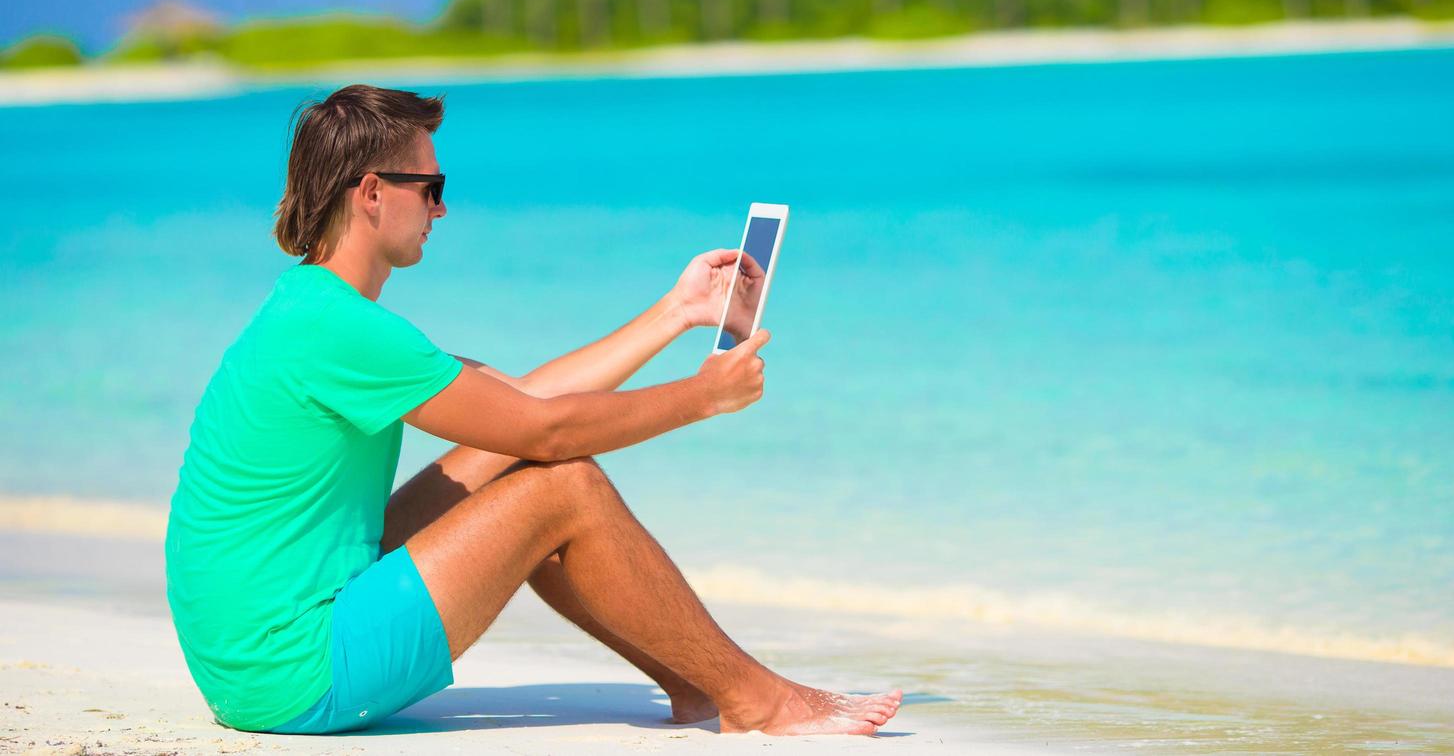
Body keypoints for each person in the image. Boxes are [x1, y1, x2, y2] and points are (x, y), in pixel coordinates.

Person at [164, 84, 902, 738]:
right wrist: (704, 397)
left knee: (506, 456)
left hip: (258, 655)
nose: (442, 206)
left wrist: (679, 312)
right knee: (561, 481)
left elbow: (524, 401)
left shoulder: (314, 310)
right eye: (431, 186)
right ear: (371, 193)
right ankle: (756, 699)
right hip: (294, 671)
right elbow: (547, 429)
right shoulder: (339, 328)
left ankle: (692, 682)